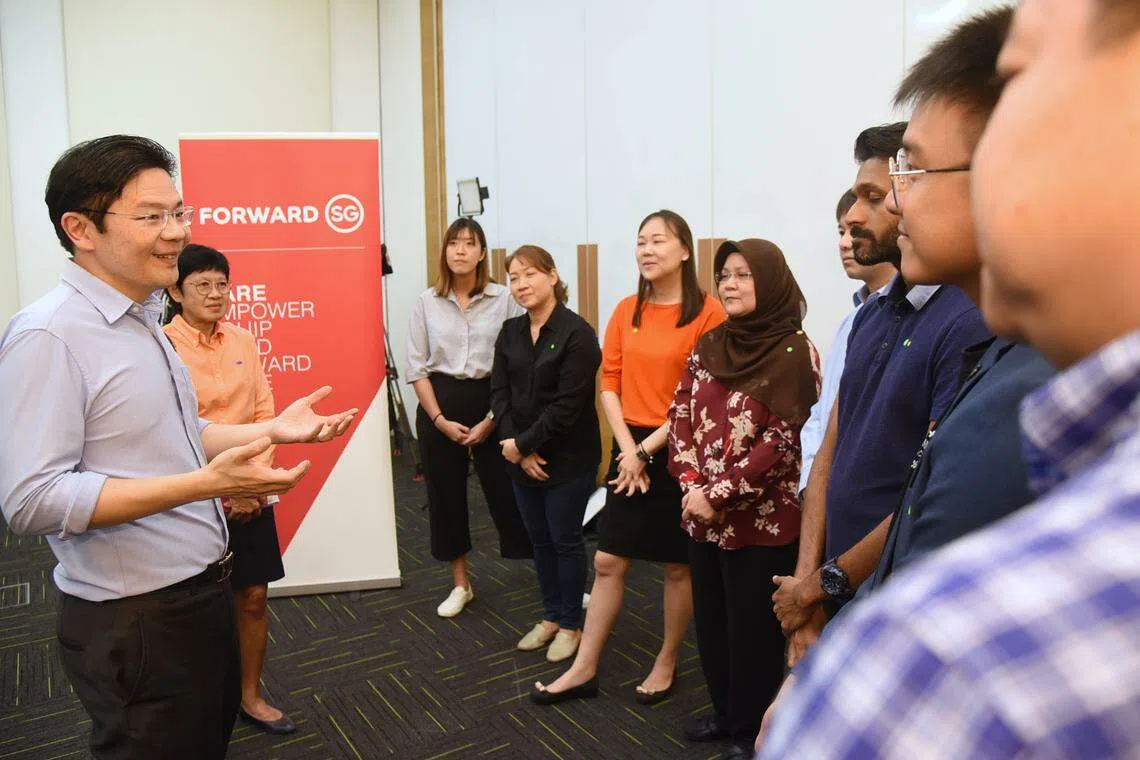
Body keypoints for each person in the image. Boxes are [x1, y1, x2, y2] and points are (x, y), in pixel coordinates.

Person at [760, 1, 1140, 755]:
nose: (893, 202)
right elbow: (840, 444)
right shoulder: (924, 327)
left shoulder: (953, 663)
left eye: (910, 172)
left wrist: (833, 600)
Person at [0, 135, 356, 760]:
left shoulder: (144, 322)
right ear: (79, 227)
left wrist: (269, 432)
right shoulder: (49, 336)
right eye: (151, 217)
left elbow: (182, 437)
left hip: (199, 593)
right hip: (134, 620)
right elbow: (31, 500)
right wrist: (203, 488)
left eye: (179, 212)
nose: (175, 232)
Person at [771, 123, 990, 665]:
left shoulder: (965, 321)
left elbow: (927, 492)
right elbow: (827, 458)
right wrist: (806, 593)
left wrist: (819, 589)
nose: (860, 214)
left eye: (875, 196)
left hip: (893, 596)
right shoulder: (870, 316)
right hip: (832, 590)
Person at [532, 209, 725, 704]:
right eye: (640, 242)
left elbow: (697, 394)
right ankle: (584, 667)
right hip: (630, 447)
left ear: (685, 250)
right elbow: (609, 384)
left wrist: (643, 451)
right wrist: (627, 451)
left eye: (658, 241)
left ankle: (667, 660)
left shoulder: (709, 314)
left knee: (676, 566)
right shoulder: (625, 310)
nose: (646, 250)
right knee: (609, 561)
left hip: (683, 446)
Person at [668, 239, 819, 760]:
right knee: (712, 624)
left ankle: (753, 730)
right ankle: (726, 715)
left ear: (771, 281)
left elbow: (784, 439)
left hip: (762, 522)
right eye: (724, 275)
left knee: (753, 631)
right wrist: (691, 487)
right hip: (702, 519)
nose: (729, 285)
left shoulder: (796, 352)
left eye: (743, 276)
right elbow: (680, 415)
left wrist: (718, 494)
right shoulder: (710, 342)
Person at [164, 244, 296, 734]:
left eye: (222, 283)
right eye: (202, 284)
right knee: (196, 609)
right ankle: (197, 707)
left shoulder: (244, 340)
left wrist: (253, 482)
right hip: (193, 498)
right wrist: (222, 488)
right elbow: (172, 432)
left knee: (254, 596)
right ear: (175, 291)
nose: (216, 293)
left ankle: (250, 696)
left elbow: (266, 415)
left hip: (251, 494)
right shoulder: (162, 348)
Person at [407, 217, 532, 618]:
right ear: (445, 251)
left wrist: (492, 419)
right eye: (453, 243)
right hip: (439, 402)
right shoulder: (426, 302)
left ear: (482, 253)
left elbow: (516, 365)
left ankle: (551, 576)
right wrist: (440, 419)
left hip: (493, 400)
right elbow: (417, 368)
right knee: (446, 498)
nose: (460, 250)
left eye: (469, 243)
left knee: (511, 492)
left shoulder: (504, 299)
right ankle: (461, 585)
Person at [490, 246, 601, 663]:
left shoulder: (578, 333)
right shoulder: (510, 333)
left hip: (568, 459)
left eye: (530, 274)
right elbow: (498, 394)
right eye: (513, 277)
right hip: (520, 456)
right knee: (539, 541)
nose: (521, 284)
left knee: (565, 540)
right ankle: (551, 616)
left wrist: (523, 446)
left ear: (553, 276)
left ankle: (572, 624)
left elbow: (567, 406)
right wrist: (516, 449)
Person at [798, 190, 895, 496]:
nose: (844, 243)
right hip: (825, 494)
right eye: (841, 232)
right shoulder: (851, 320)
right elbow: (822, 414)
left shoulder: (908, 316)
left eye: (854, 232)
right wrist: (809, 489)